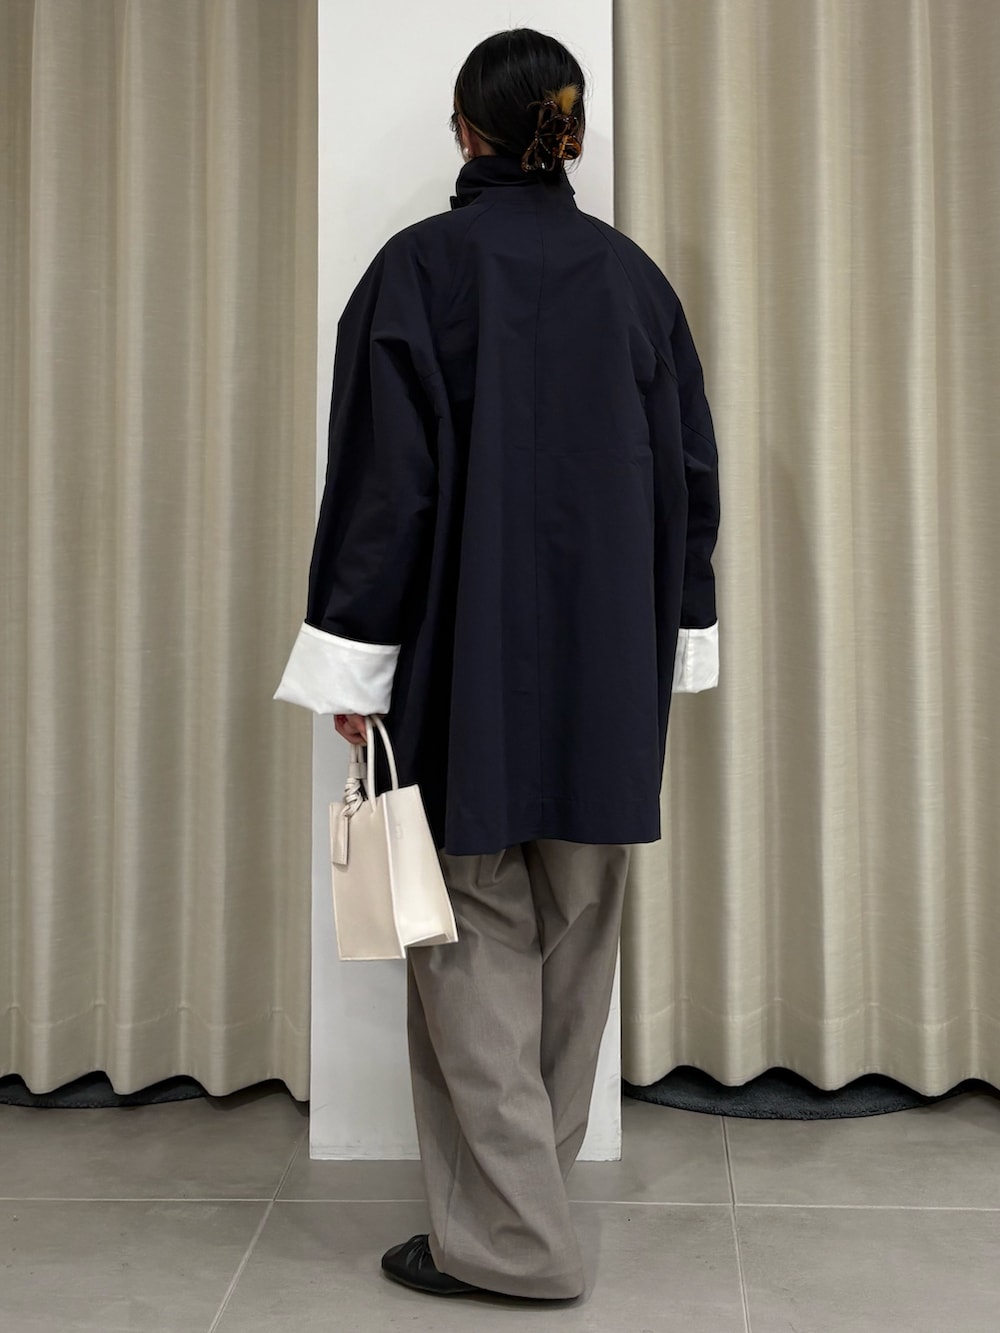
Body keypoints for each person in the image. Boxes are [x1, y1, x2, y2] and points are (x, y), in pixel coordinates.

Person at [274, 27, 720, 1302]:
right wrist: (677, 636)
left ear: (466, 131)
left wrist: (357, 667)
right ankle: (521, 1209)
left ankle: (516, 1241)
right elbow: (691, 484)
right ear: (564, 136)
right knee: (575, 945)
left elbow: (382, 491)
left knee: (465, 940)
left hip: (457, 672)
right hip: (607, 674)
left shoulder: (418, 273)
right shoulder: (634, 282)